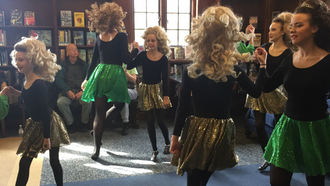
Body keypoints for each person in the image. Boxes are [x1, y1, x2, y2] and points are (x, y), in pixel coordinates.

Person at [169, 5, 267, 186]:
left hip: (196, 129)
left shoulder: (193, 69)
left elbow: (182, 106)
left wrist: (175, 137)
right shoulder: (233, 69)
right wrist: (263, 66)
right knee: (203, 173)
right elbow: (256, 92)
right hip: (220, 131)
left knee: (194, 173)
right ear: (230, 35)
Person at [263, 1, 330, 185]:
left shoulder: (327, 61)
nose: (292, 30)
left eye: (298, 25)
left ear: (315, 28)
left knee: (315, 182)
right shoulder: (289, 59)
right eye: (291, 26)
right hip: (288, 126)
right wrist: (262, 63)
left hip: (316, 129)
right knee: (277, 181)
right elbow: (267, 86)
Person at [8, 37, 70, 186]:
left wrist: (46, 138)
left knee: (54, 161)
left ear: (33, 61)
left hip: (48, 124)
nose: (17, 63)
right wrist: (13, 91)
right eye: (16, 59)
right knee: (24, 162)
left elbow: (44, 112)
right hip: (35, 124)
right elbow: (27, 96)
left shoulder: (39, 84)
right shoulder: (26, 80)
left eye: (21, 60)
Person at [82, 2, 139, 160]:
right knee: (119, 105)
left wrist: (86, 79)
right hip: (114, 74)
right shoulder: (121, 36)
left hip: (100, 73)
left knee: (98, 114)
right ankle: (99, 128)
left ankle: (96, 150)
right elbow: (126, 59)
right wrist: (135, 49)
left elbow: (93, 61)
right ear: (116, 18)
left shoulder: (99, 35)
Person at [244, 12, 294, 171]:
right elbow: (255, 70)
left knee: (280, 128)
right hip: (260, 91)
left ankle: (279, 158)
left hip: (278, 93)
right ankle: (268, 156)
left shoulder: (288, 54)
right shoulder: (265, 47)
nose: (270, 32)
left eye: (273, 30)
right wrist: (254, 61)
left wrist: (262, 64)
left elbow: (274, 79)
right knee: (259, 126)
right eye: (270, 30)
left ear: (282, 32)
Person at [127, 26, 171, 162]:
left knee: (160, 119)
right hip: (145, 90)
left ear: (158, 42)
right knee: (150, 120)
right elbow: (129, 65)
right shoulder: (142, 55)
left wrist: (165, 96)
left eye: (153, 40)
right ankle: (154, 150)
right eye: (148, 41)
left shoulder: (163, 59)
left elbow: (165, 79)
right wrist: (134, 50)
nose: (150, 43)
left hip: (158, 90)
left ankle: (168, 143)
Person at [55, 43, 92, 133]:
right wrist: (68, 90)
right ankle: (70, 124)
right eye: (72, 49)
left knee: (88, 101)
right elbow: (58, 80)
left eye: (76, 49)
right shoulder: (62, 65)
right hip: (67, 92)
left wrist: (83, 91)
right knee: (60, 102)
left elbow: (89, 79)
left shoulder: (84, 65)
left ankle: (84, 123)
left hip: (81, 92)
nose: (75, 51)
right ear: (67, 52)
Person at [120, 64, 138, 135]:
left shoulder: (130, 65)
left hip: (131, 90)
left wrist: (125, 73)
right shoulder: (115, 65)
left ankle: (125, 123)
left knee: (124, 95)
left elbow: (134, 80)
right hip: (118, 90)